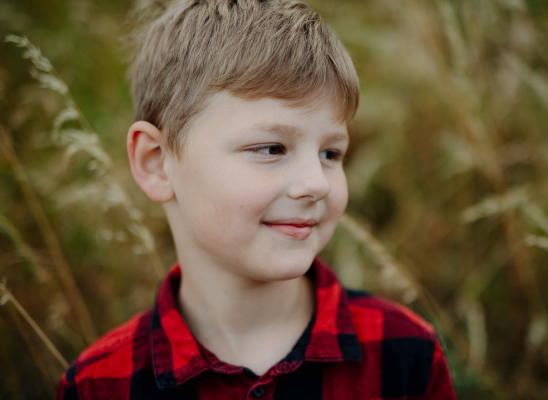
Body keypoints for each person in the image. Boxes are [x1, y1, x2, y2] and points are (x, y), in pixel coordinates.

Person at [55, 0, 456, 398]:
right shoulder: (100, 385)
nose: (317, 184)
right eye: (271, 148)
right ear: (157, 163)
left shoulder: (405, 354)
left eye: (330, 154)